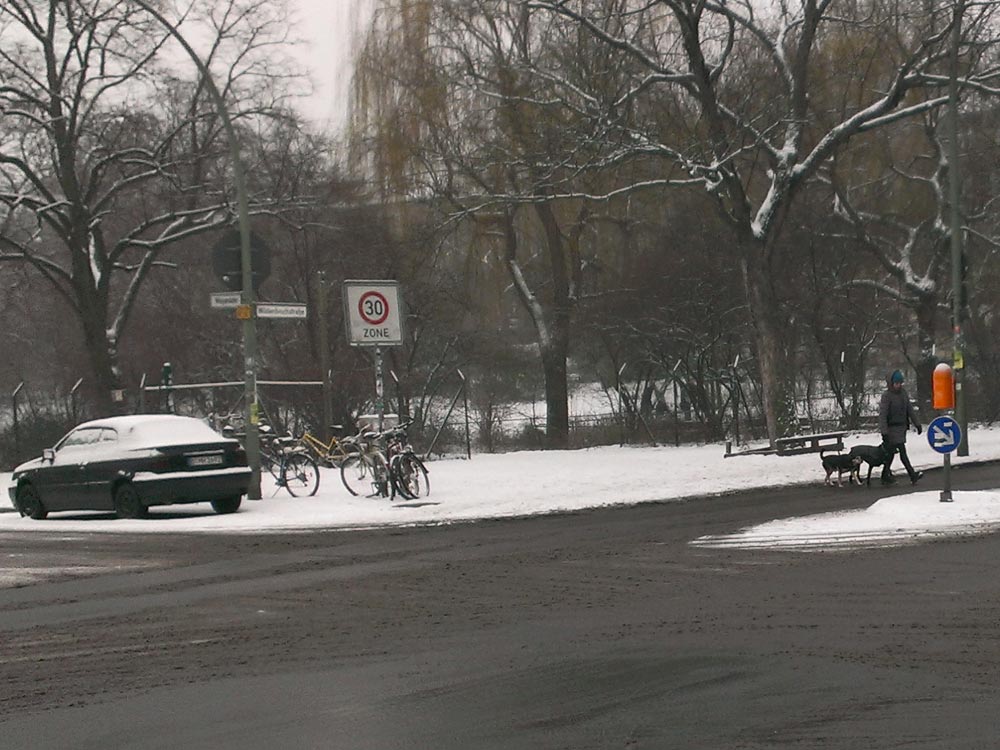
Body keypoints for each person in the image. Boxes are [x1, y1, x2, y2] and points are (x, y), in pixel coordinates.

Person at [878, 369, 923, 485]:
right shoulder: (887, 396)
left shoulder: (903, 393)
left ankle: (885, 475)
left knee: (891, 454)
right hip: (891, 429)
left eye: (900, 383)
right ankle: (912, 475)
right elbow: (883, 415)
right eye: (896, 383)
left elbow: (909, 410)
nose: (898, 385)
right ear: (891, 383)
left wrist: (917, 423)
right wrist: (884, 433)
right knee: (901, 452)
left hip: (901, 428)